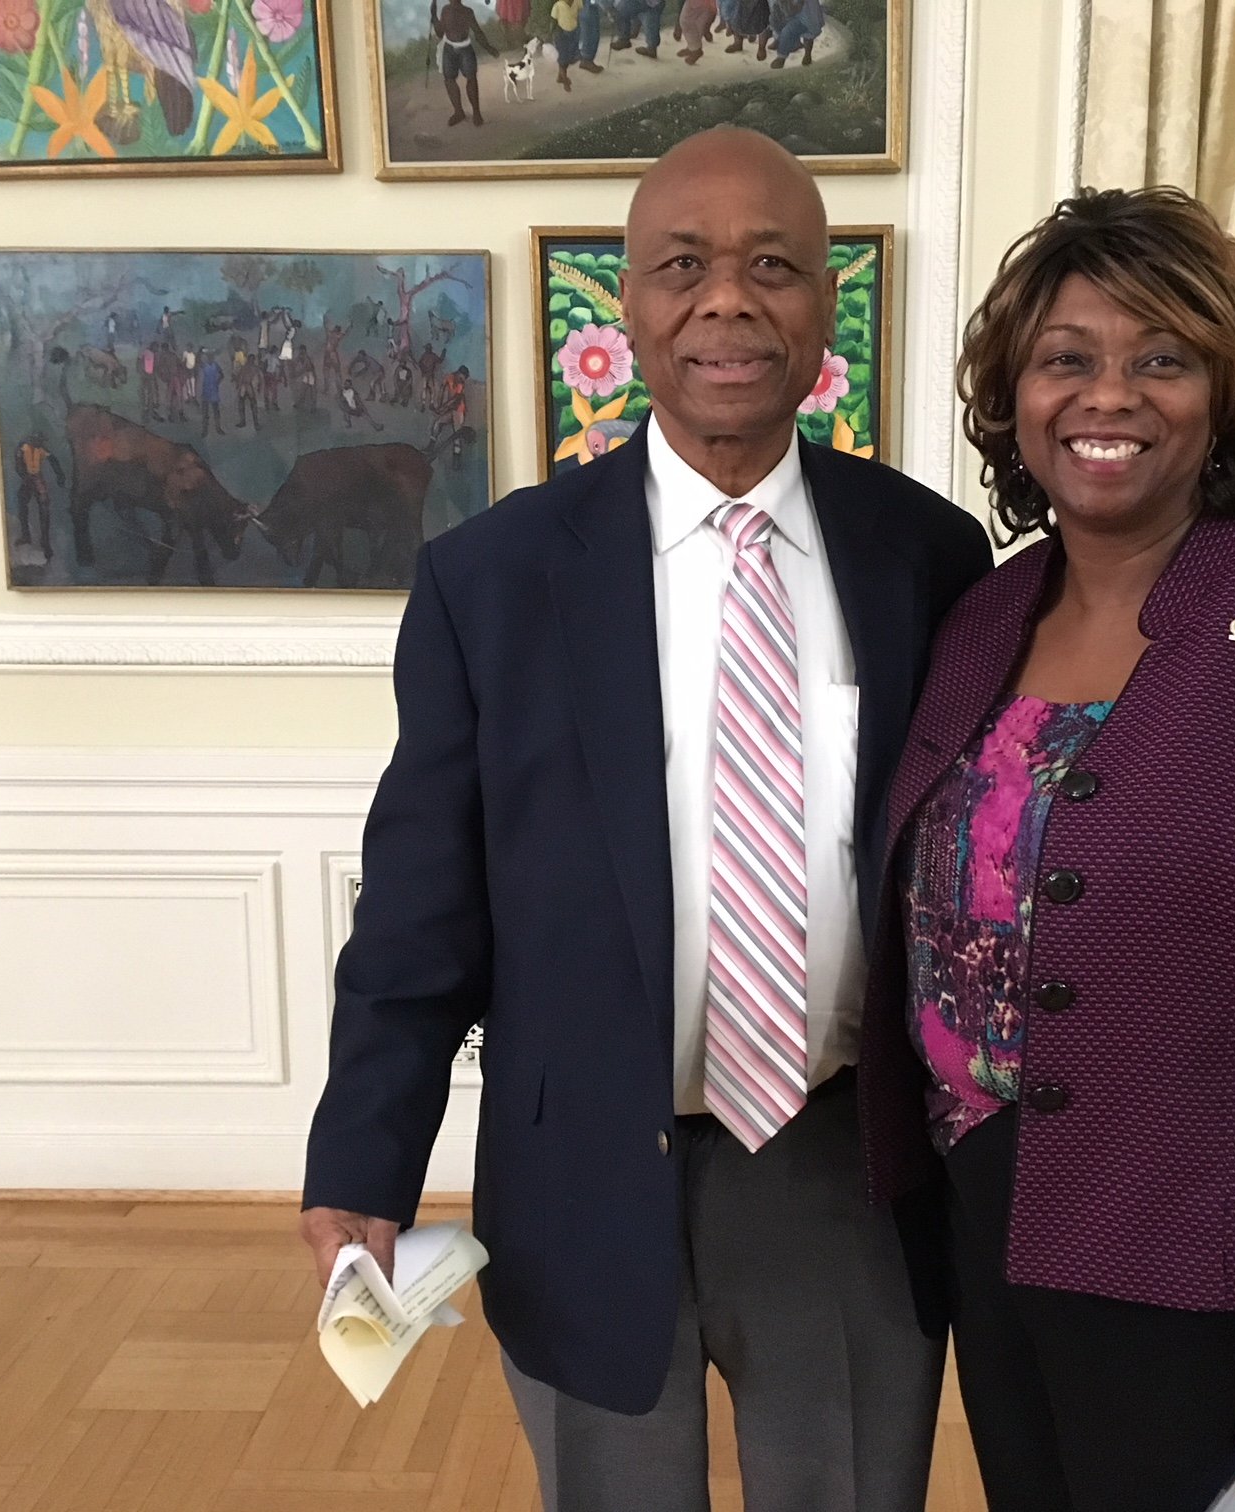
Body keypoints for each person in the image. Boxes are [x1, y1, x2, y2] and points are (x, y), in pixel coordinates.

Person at [302, 127, 990, 1512]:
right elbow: (422, 902)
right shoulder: (489, 580)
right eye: (684, 266)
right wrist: (363, 1161)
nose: (726, 300)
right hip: (579, 1167)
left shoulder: (927, 555)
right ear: (625, 304)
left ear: (827, 310)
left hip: (842, 1164)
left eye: (773, 268)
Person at [858, 187, 1235, 1512]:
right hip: (988, 1218)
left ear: (1225, 392)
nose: (1112, 395)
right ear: (1015, 398)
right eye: (1067, 358)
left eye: (1163, 357)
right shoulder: (979, 621)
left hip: (1195, 1261)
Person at [431, 0, 499, 126]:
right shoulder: (448, 10)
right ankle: (459, 112)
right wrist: (434, 16)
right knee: (450, 79)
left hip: (464, 49)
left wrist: (489, 48)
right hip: (449, 48)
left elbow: (478, 33)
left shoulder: (465, 12)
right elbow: (441, 33)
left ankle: (476, 113)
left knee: (471, 79)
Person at [12, 432, 65, 561]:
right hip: (27, 478)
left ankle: (45, 542)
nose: (40, 444)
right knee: (22, 504)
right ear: (32, 440)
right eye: (37, 441)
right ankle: (26, 535)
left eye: (40, 442)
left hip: (37, 478)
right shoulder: (23, 448)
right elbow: (18, 464)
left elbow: (53, 460)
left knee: (44, 507)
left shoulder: (41, 449)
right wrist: (24, 476)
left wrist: (60, 475)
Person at [768, 0, 823, 66]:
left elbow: (796, 8)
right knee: (775, 19)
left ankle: (782, 56)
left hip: (805, 16)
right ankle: (783, 41)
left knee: (789, 30)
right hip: (788, 11)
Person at [198, 348, 224, 436]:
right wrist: (199, 352)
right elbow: (197, 361)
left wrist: (218, 381)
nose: (210, 358)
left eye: (211, 356)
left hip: (213, 390)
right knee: (205, 412)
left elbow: (222, 374)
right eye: (209, 356)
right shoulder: (204, 365)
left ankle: (218, 428)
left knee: (216, 411)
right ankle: (205, 430)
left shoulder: (215, 365)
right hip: (206, 390)